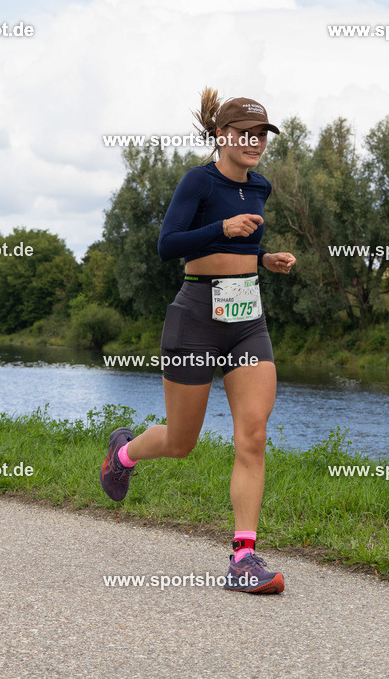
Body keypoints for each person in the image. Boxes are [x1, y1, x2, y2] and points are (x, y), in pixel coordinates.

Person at [100, 90, 296, 593]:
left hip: (248, 320)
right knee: (181, 441)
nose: (254, 143)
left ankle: (243, 558)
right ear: (221, 136)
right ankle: (124, 452)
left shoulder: (261, 188)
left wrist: (263, 258)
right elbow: (169, 244)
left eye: (261, 135)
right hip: (196, 317)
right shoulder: (198, 181)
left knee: (252, 435)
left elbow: (240, 250)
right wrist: (222, 227)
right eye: (245, 134)